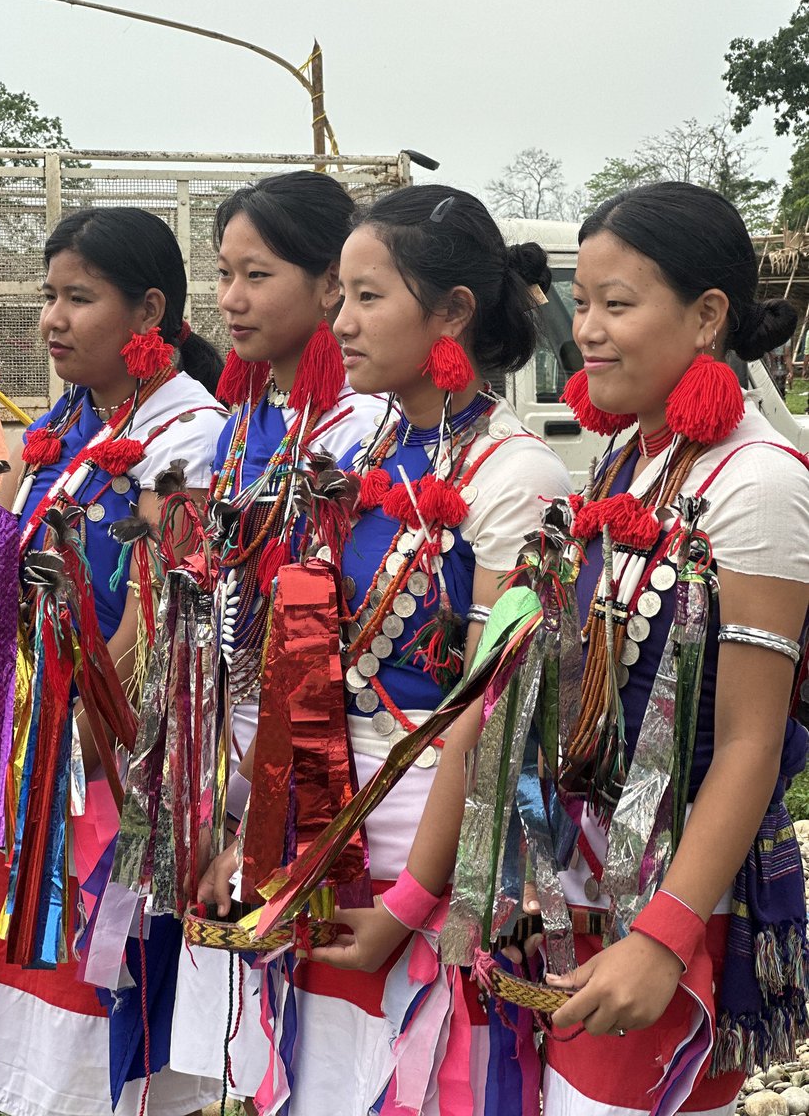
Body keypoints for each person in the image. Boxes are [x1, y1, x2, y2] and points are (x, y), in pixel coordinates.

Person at [322, 181, 809, 1116]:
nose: (585, 330)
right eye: (581, 303)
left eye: (617, 305)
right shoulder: (631, 459)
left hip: (670, 899)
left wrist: (663, 938)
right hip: (571, 897)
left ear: (708, 317)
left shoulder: (759, 486)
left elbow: (752, 741)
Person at [206, 184, 571, 1115]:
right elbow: (302, 663)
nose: (343, 320)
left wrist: (413, 902)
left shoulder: (515, 473)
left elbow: (486, 718)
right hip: (321, 823)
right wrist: (252, 828)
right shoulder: (365, 448)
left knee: (427, 1080)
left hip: (430, 841)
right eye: (342, 296)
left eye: (370, 297)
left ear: (451, 312)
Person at [0, 206, 228, 1116]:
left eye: (80, 297)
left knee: (102, 1001)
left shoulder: (190, 436)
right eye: (49, 296)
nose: (51, 320)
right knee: (36, 982)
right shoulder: (71, 421)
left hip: (108, 754)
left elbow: (156, 618)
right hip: (44, 751)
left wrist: (67, 732)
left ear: (149, 309)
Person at [167, 170, 388, 1095]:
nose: (228, 300)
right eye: (222, 274)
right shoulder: (240, 426)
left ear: (330, 285)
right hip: (242, 750)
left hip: (327, 767)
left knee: (341, 1052)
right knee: (261, 1049)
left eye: (255, 275)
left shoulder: (364, 431)